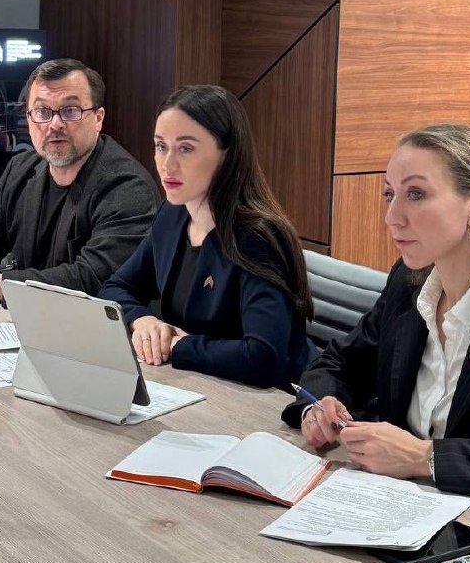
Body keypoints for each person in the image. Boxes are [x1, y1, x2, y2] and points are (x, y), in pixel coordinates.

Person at [283, 124, 470, 515]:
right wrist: (318, 407)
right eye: (390, 194)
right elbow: (338, 363)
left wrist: (426, 457)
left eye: (416, 194)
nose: (392, 217)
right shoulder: (408, 282)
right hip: (390, 509)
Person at [100, 84, 317, 390]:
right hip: (203, 385)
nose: (167, 164)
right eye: (161, 146)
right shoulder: (172, 215)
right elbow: (116, 287)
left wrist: (178, 346)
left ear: (226, 155)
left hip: (274, 402)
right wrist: (142, 320)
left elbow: (263, 357)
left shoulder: (258, 238)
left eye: (185, 148)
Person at [0, 58, 160, 302]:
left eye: (70, 111)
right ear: (29, 119)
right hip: (26, 316)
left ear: (98, 119)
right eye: (42, 112)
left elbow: (92, 278)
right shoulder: (21, 168)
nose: (55, 124)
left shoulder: (128, 188)